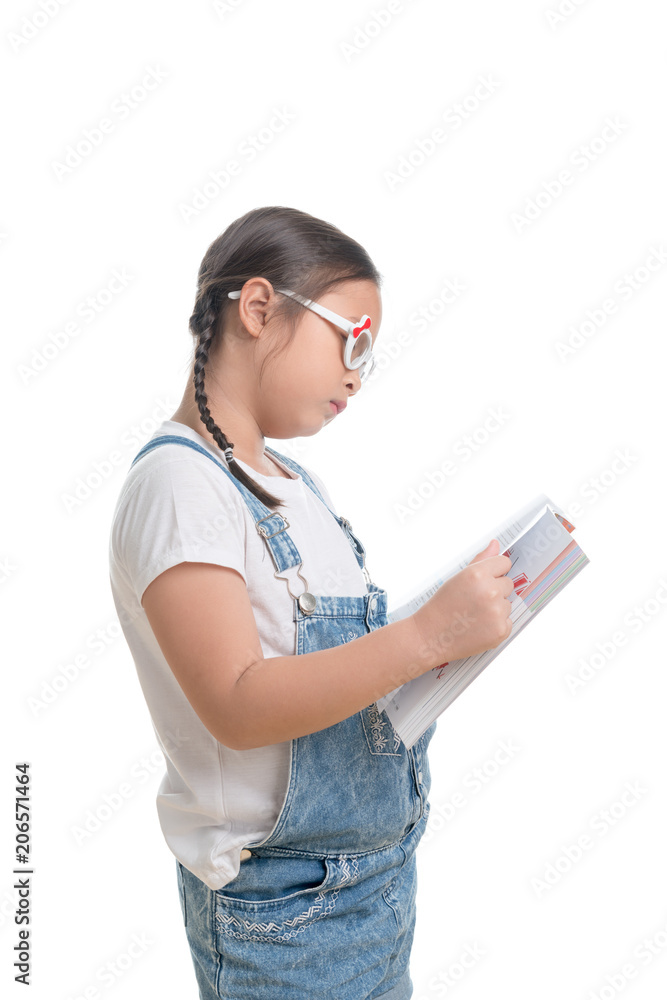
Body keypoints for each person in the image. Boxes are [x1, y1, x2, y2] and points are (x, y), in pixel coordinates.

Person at [108, 205, 514, 1000]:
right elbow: (237, 702)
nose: (359, 372)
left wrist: (451, 639)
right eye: (351, 339)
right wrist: (427, 635)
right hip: (286, 914)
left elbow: (332, 678)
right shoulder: (180, 484)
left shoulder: (294, 486)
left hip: (374, 884)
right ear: (258, 309)